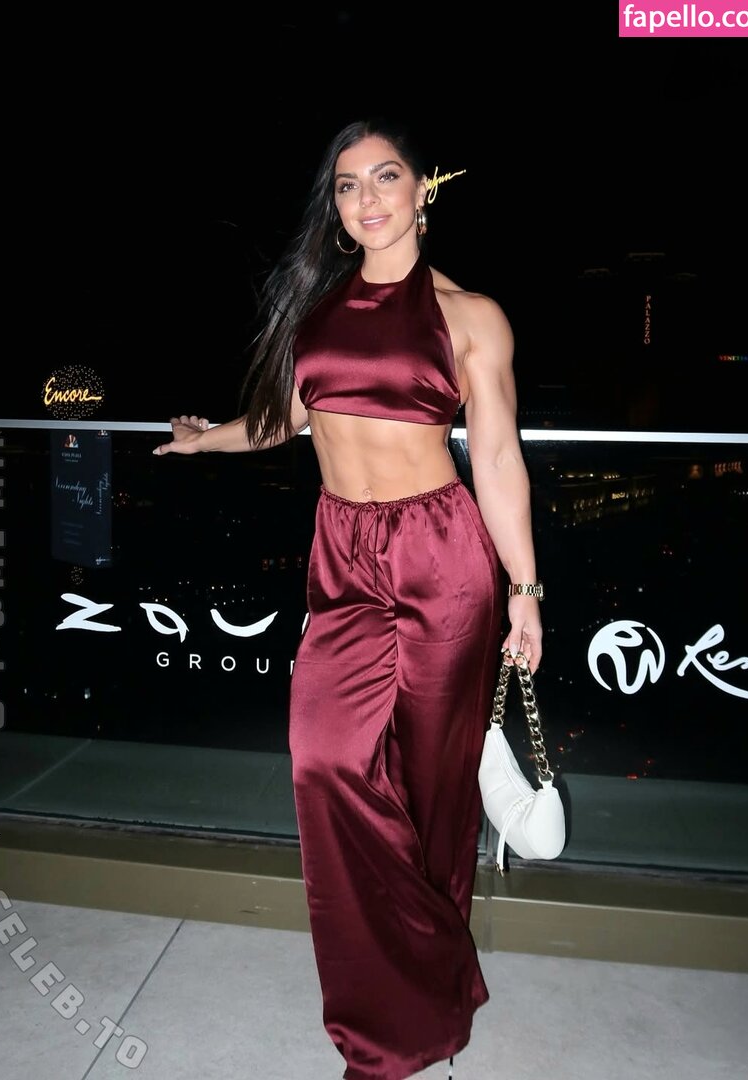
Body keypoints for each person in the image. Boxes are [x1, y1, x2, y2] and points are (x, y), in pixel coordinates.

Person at [153, 116, 543, 1080]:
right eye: (346, 184)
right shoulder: (318, 311)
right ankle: (427, 976)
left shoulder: (470, 316)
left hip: (442, 556)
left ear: (423, 192)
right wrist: (207, 439)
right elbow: (285, 419)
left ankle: (416, 1018)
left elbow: (496, 458)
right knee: (324, 762)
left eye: (385, 177)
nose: (366, 198)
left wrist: (525, 591)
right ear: (333, 207)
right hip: (343, 559)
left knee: (433, 791)